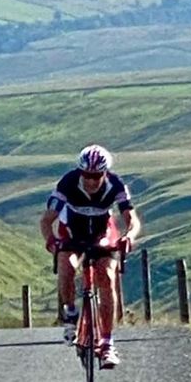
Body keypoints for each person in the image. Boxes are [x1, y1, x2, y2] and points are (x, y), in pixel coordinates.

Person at [39, 144, 142, 369]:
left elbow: (131, 218)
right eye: (87, 175)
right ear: (80, 171)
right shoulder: (68, 182)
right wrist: (51, 241)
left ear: (104, 173)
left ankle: (107, 343)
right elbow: (47, 220)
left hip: (102, 232)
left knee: (107, 277)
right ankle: (71, 314)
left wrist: (129, 236)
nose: (91, 180)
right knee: (67, 266)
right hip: (72, 230)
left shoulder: (115, 184)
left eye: (96, 176)